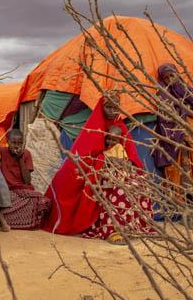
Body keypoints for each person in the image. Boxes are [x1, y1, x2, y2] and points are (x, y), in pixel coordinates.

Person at [42, 94, 151, 242]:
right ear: (101, 107)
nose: (112, 111)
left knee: (138, 184)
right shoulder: (94, 127)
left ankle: (133, 226)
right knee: (118, 188)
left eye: (115, 107)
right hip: (98, 171)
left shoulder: (120, 127)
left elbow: (132, 155)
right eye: (108, 107)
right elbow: (86, 156)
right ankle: (113, 230)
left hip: (120, 170)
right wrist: (105, 159)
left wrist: (126, 164)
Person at [0, 129, 51, 230]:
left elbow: (27, 181)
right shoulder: (1, 152)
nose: (17, 146)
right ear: (8, 142)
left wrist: (20, 159)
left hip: (23, 190)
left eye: (20, 143)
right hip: (7, 190)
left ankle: (13, 221)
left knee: (42, 201)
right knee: (1, 200)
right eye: (14, 143)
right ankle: (7, 221)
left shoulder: (26, 154)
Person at [154, 63, 193, 186]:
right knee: (179, 177)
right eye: (166, 78)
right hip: (176, 141)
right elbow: (166, 121)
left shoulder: (187, 90)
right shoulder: (163, 95)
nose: (170, 80)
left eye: (172, 75)